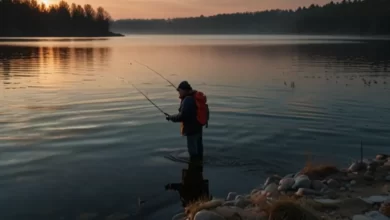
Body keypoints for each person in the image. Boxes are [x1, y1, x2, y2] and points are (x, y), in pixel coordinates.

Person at [165, 81, 209, 160]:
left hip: (191, 130)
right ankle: (200, 164)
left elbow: (182, 116)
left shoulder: (188, 100)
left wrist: (171, 117)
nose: (178, 92)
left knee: (192, 152)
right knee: (199, 149)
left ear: (185, 90)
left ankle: (194, 165)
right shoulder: (194, 96)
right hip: (198, 127)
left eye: (180, 90)